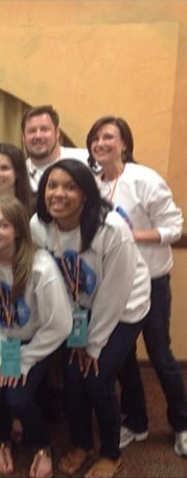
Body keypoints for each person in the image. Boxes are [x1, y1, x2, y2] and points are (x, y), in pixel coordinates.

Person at [30, 159, 151, 478]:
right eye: (52, 185)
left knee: (97, 380)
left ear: (86, 194)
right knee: (72, 378)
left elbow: (114, 294)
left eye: (70, 186)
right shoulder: (39, 226)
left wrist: (93, 345)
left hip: (125, 307)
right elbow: (52, 283)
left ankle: (111, 453)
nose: (58, 193)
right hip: (79, 309)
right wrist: (77, 334)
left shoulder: (112, 230)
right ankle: (82, 443)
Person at [87, 116, 187, 457]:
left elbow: (175, 227)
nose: (100, 143)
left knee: (160, 355)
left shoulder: (145, 179)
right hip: (116, 286)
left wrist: (133, 237)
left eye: (108, 137)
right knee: (124, 358)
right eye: (95, 138)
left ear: (125, 144)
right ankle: (137, 421)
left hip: (153, 282)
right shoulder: (92, 185)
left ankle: (182, 423)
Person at [0, 195, 72, 477]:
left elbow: (60, 325)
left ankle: (42, 444)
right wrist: (1, 352)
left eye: (2, 225)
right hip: (3, 340)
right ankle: (2, 440)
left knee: (16, 397)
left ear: (18, 230)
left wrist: (24, 359)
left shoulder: (41, 268)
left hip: (36, 341)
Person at [21, 105, 88, 193]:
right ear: (23, 137)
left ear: (57, 133)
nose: (38, 136)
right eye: (32, 131)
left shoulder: (85, 160)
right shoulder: (19, 173)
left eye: (44, 129)